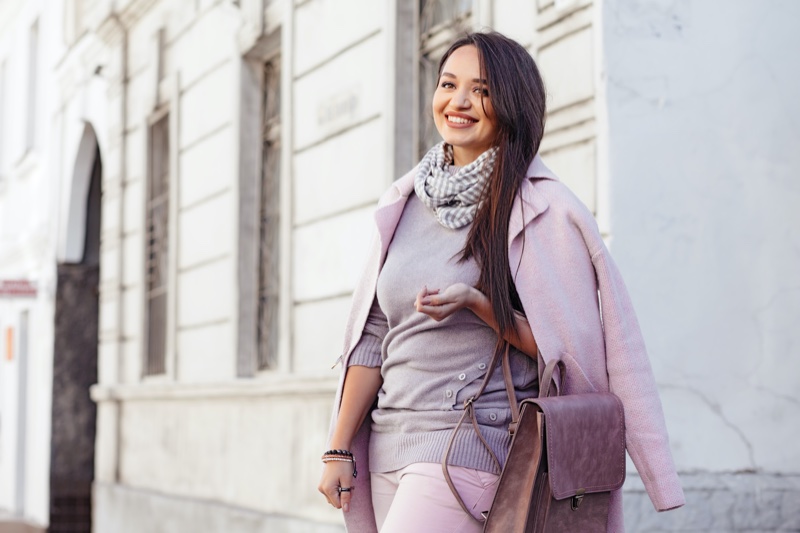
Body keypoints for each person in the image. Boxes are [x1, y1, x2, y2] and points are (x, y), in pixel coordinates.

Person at [318, 31, 685, 533]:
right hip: (386, 443)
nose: (460, 101)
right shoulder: (405, 201)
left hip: (468, 447)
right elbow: (374, 336)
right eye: (449, 84)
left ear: (511, 102)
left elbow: (566, 354)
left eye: (482, 90)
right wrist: (338, 447)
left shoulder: (542, 210)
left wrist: (480, 304)